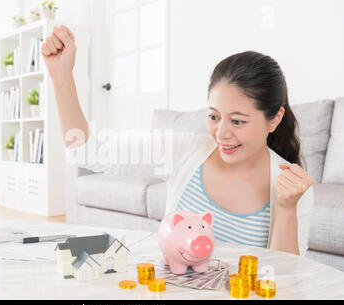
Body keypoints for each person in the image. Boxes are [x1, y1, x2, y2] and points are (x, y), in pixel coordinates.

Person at [41, 25, 314, 256]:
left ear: (275, 119)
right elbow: (87, 152)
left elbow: (284, 284)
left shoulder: (290, 188)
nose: (221, 133)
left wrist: (287, 208)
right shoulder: (187, 151)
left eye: (238, 121)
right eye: (214, 116)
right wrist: (61, 76)